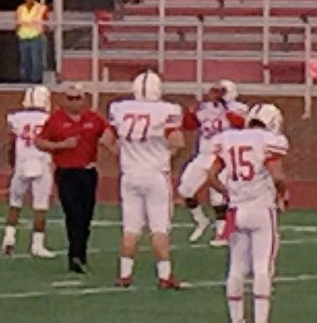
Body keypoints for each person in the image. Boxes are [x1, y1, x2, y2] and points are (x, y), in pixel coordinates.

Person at [207, 102, 289, 323]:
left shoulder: (229, 138)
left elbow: (211, 176)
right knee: (263, 266)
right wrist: (283, 194)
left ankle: (236, 322)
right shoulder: (268, 141)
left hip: (236, 210)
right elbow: (277, 176)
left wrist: (228, 193)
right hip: (261, 209)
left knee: (236, 266)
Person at [105, 70, 187, 290]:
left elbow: (106, 140)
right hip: (155, 174)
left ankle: (124, 275)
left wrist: (123, 155)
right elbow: (178, 142)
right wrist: (168, 158)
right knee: (159, 228)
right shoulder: (167, 110)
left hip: (130, 174)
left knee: (130, 228)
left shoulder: (120, 108)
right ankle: (164, 275)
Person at [36, 82, 107, 272]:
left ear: (84, 99)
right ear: (63, 99)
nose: (74, 102)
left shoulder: (93, 119)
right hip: (66, 172)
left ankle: (81, 253)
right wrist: (62, 145)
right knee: (73, 213)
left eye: (77, 98)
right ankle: (74, 255)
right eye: (70, 98)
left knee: (86, 216)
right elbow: (40, 142)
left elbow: (108, 135)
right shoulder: (56, 119)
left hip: (88, 171)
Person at [180, 80, 244, 242]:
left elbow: (241, 124)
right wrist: (190, 112)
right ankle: (201, 220)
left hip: (223, 156)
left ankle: (222, 231)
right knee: (185, 190)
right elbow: (188, 126)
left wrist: (224, 105)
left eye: (218, 91)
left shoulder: (238, 108)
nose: (213, 94)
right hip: (204, 154)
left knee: (217, 196)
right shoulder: (205, 108)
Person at [2, 85, 58, 258]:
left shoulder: (16, 118)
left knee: (15, 202)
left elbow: (11, 143)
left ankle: (9, 238)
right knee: (40, 206)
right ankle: (37, 245)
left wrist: (12, 162)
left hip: (22, 162)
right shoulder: (50, 119)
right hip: (41, 163)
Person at [14, 0, 50, 84]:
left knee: (36, 61)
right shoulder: (20, 8)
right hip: (23, 38)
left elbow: (46, 22)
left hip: (36, 37)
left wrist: (43, 31)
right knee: (24, 61)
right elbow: (17, 22)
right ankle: (25, 81)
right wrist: (18, 33)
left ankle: (36, 81)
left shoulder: (41, 8)